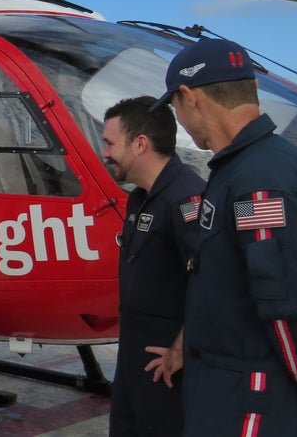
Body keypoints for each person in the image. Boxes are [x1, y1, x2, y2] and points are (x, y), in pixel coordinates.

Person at [152, 38, 297, 437]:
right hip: (227, 393)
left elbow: (291, 313)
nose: (180, 120)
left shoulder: (261, 182)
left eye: (174, 108)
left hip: (251, 407)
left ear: (189, 97)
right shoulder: (245, 168)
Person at [101, 96, 204, 436]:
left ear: (140, 143)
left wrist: (182, 348)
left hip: (165, 364)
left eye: (110, 143)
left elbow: (216, 282)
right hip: (134, 352)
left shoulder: (186, 200)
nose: (105, 153)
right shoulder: (140, 196)